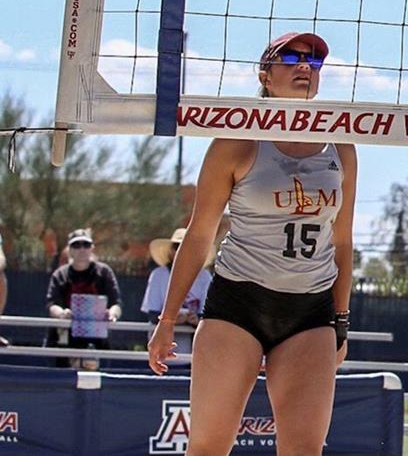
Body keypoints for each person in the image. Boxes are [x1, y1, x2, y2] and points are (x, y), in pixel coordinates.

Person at [148, 31, 358, 456]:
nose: (305, 66)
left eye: (314, 62)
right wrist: (168, 318)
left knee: (303, 449)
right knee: (209, 445)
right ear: (265, 73)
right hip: (239, 304)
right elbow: (199, 232)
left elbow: (343, 241)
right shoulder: (236, 139)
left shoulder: (341, 143)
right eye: (293, 58)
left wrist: (341, 320)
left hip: (309, 309)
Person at [46, 227, 121, 367]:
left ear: (92, 248)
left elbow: (116, 304)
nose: (82, 249)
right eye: (76, 245)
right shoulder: (60, 275)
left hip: (98, 337)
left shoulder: (104, 273)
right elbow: (52, 305)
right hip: (66, 337)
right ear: (70, 250)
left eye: (85, 245)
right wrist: (62, 313)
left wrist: (112, 314)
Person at [142, 227, 213, 355]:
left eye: (187, 247)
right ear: (170, 251)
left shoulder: (204, 276)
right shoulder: (158, 275)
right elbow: (152, 314)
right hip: (162, 345)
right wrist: (170, 319)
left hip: (195, 346)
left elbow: (208, 315)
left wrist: (195, 320)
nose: (182, 251)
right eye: (177, 246)